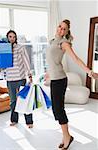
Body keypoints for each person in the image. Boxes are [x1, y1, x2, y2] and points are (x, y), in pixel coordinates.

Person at [46, 19, 98, 150]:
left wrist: (89, 72)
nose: (61, 30)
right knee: (55, 110)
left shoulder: (64, 43)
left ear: (66, 32)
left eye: (64, 29)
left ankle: (67, 137)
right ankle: (67, 136)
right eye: (60, 27)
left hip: (60, 80)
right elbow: (52, 61)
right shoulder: (52, 41)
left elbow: (76, 59)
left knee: (59, 110)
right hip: (54, 79)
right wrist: (48, 74)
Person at [6, 30, 33, 128]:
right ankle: (14, 120)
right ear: (7, 37)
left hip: (20, 77)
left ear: (16, 38)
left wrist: (29, 74)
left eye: (13, 36)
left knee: (24, 100)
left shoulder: (20, 47)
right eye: (10, 36)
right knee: (13, 101)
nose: (12, 38)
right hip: (10, 79)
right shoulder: (4, 49)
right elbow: (2, 65)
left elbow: (26, 61)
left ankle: (29, 121)